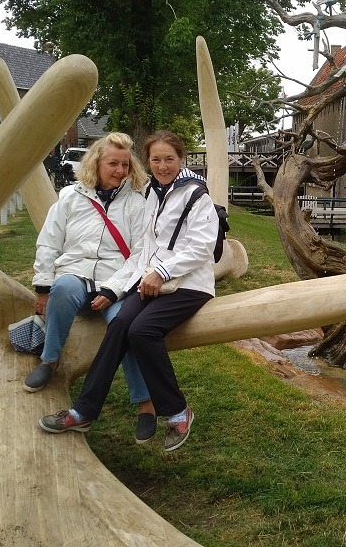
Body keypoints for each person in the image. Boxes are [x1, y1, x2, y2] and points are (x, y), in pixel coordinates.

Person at [39, 130, 219, 452]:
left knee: (142, 330)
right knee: (121, 322)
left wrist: (161, 272)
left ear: (181, 159)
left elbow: (202, 247)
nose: (163, 166)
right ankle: (84, 410)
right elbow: (144, 250)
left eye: (169, 159)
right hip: (153, 280)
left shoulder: (195, 194)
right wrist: (116, 288)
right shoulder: (152, 193)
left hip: (189, 284)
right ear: (148, 162)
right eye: (156, 159)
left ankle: (177, 410)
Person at [26, 132, 158, 443]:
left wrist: (112, 290)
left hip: (117, 280)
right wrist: (42, 287)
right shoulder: (71, 197)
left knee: (126, 325)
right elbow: (49, 241)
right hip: (76, 271)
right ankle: (50, 359)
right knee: (62, 288)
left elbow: (140, 253)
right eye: (113, 164)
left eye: (125, 165)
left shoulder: (136, 202)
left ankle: (145, 403)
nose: (120, 171)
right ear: (96, 164)